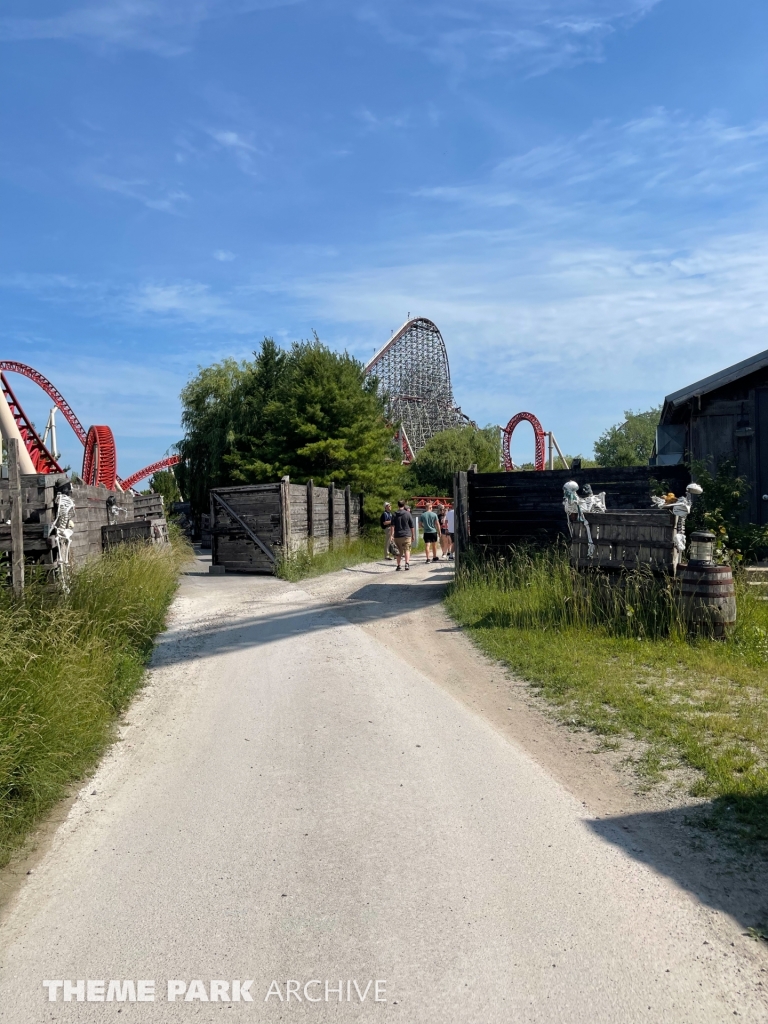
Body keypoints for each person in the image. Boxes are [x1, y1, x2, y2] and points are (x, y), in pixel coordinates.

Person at [391, 499, 415, 570]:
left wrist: (391, 535)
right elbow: (412, 526)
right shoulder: (408, 514)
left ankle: (398, 566)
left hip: (397, 535)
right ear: (404, 505)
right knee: (407, 549)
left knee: (398, 551)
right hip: (407, 535)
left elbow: (392, 526)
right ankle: (407, 564)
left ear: (398, 505)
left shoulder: (394, 514)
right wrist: (413, 535)